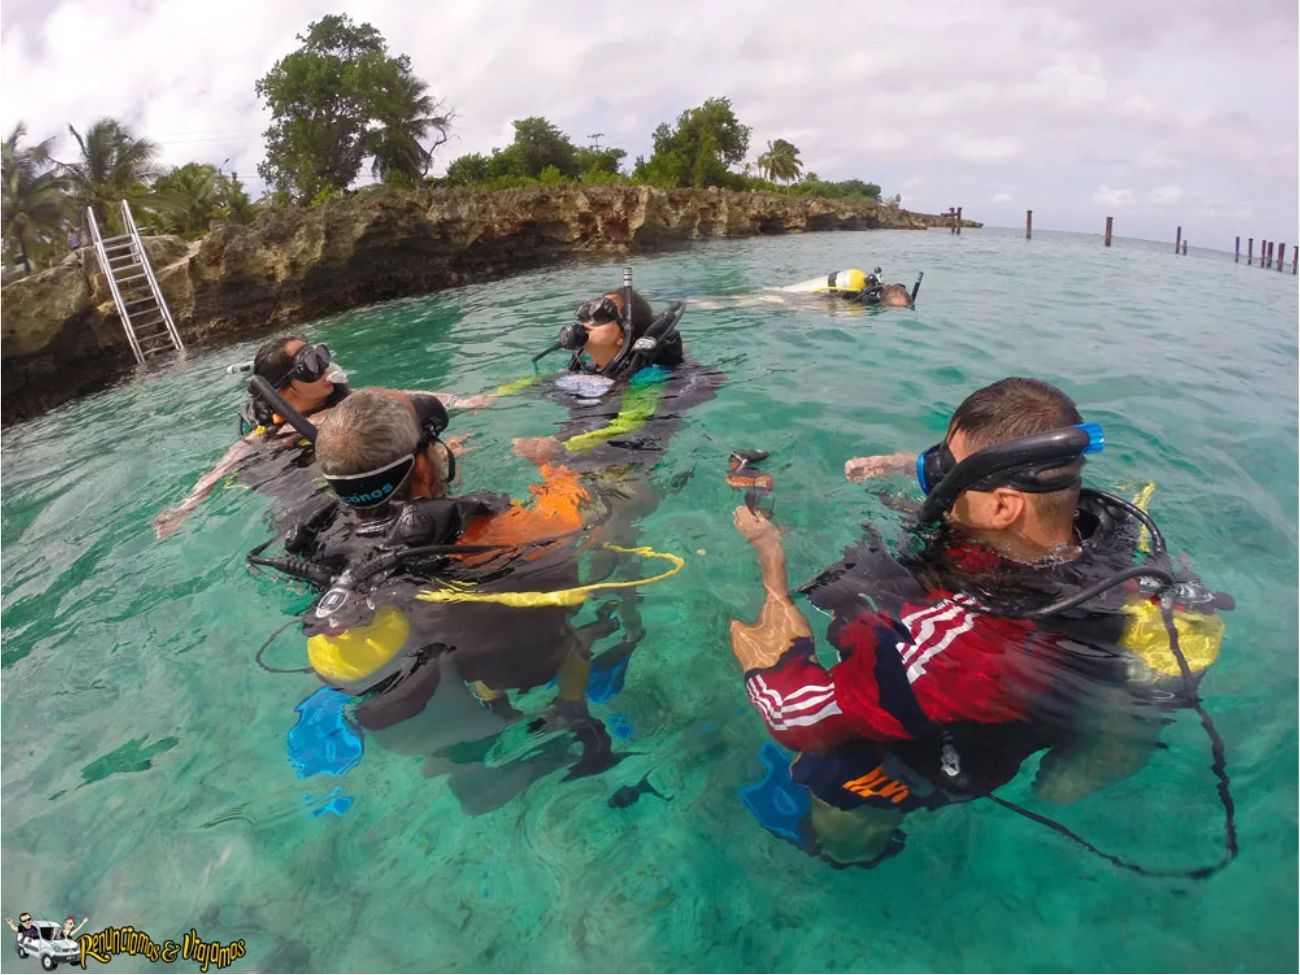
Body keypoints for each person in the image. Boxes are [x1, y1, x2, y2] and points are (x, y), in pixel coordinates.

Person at [728, 377, 1229, 865]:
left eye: (950, 467)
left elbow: (795, 717)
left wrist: (772, 572)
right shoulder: (1114, 538)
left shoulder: (957, 647)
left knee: (834, 787)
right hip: (1033, 708)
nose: (938, 479)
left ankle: (849, 852)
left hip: (937, 748)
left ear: (1003, 506)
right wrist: (914, 468)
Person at [260, 387, 645, 790]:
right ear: (424, 469)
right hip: (531, 655)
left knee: (467, 634)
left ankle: (495, 714)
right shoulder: (492, 531)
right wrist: (554, 468)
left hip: (457, 663)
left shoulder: (329, 544)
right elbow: (571, 528)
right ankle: (571, 710)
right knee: (571, 639)